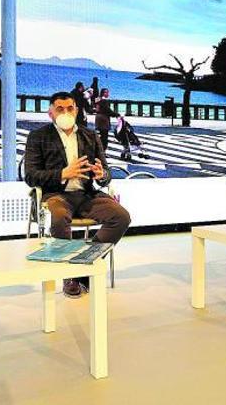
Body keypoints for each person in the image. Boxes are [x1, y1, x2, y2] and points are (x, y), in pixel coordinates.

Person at [24, 91, 132, 298]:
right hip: (56, 194)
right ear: (51, 113)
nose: (66, 112)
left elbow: (106, 174)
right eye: (60, 109)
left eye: (70, 108)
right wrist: (62, 174)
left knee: (121, 217)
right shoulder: (38, 137)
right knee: (58, 217)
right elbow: (31, 175)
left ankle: (83, 264)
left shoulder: (90, 136)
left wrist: (102, 175)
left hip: (86, 194)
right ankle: (69, 277)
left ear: (77, 110)